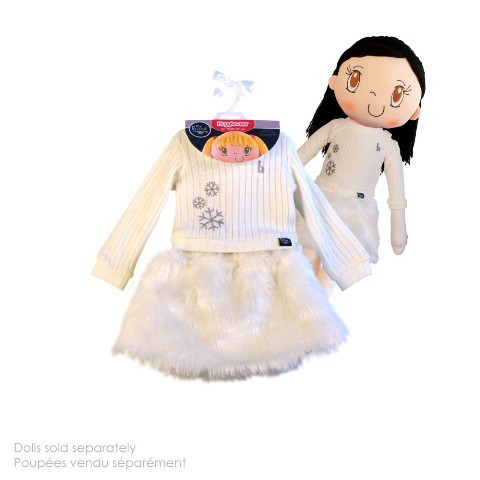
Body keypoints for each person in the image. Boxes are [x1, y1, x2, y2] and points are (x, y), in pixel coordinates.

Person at [298, 36, 425, 272]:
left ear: (414, 112)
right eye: (356, 80)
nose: (375, 100)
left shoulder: (388, 146)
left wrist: (398, 228)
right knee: (307, 253)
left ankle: (317, 293)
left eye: (397, 95)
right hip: (321, 197)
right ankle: (304, 289)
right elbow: (301, 156)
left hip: (358, 209)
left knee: (338, 266)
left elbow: (396, 191)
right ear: (335, 82)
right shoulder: (336, 127)